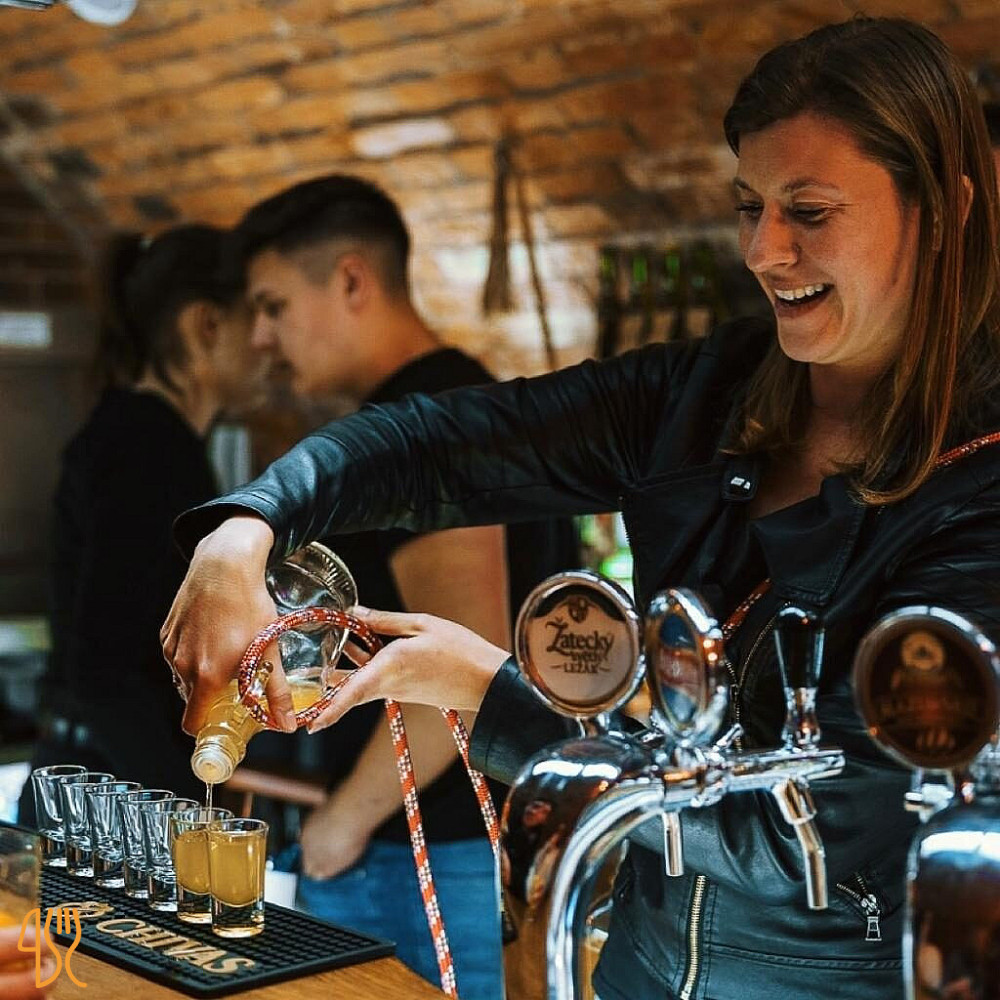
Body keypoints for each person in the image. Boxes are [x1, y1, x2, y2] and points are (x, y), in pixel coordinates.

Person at [162, 16, 1000, 1000]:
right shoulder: (702, 393)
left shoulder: (980, 495)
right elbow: (435, 443)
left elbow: (798, 843)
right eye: (748, 206)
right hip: (639, 972)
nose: (764, 251)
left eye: (809, 211)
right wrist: (245, 529)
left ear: (942, 210)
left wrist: (488, 692)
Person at [228, 174, 578, 1000]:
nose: (262, 339)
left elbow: (459, 665)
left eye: (274, 306)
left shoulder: (431, 418)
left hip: (430, 851)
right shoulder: (444, 408)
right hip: (442, 844)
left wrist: (337, 827)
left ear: (351, 280)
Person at [19, 224, 265, 819]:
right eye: (259, 314)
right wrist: (190, 806)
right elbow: (103, 666)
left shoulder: (151, 436)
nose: (270, 342)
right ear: (206, 324)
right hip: (106, 800)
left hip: (101, 782)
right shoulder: (147, 445)